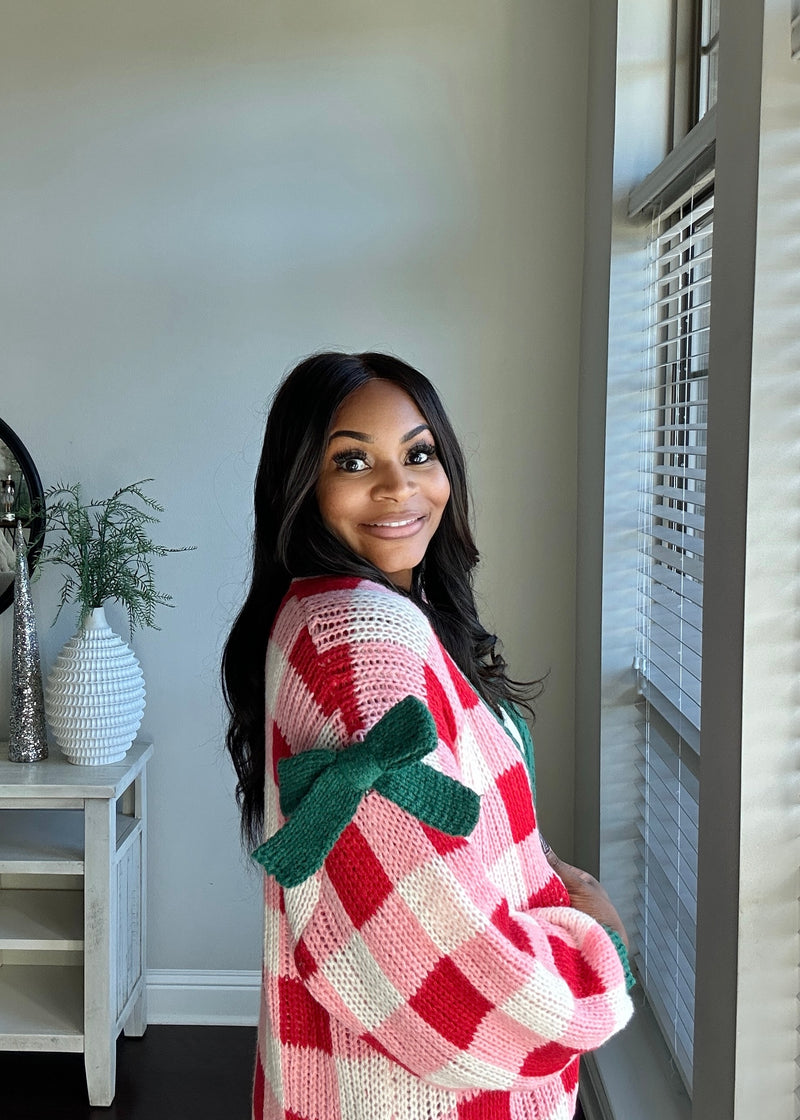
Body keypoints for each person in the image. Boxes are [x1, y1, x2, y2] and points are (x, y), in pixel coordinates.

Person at [222, 351, 634, 1120]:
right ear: (302, 484)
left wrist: (542, 869)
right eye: (353, 460)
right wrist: (592, 963)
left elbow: (444, 830)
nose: (398, 487)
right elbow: (430, 967)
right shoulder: (361, 645)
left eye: (419, 453)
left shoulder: (367, 613)